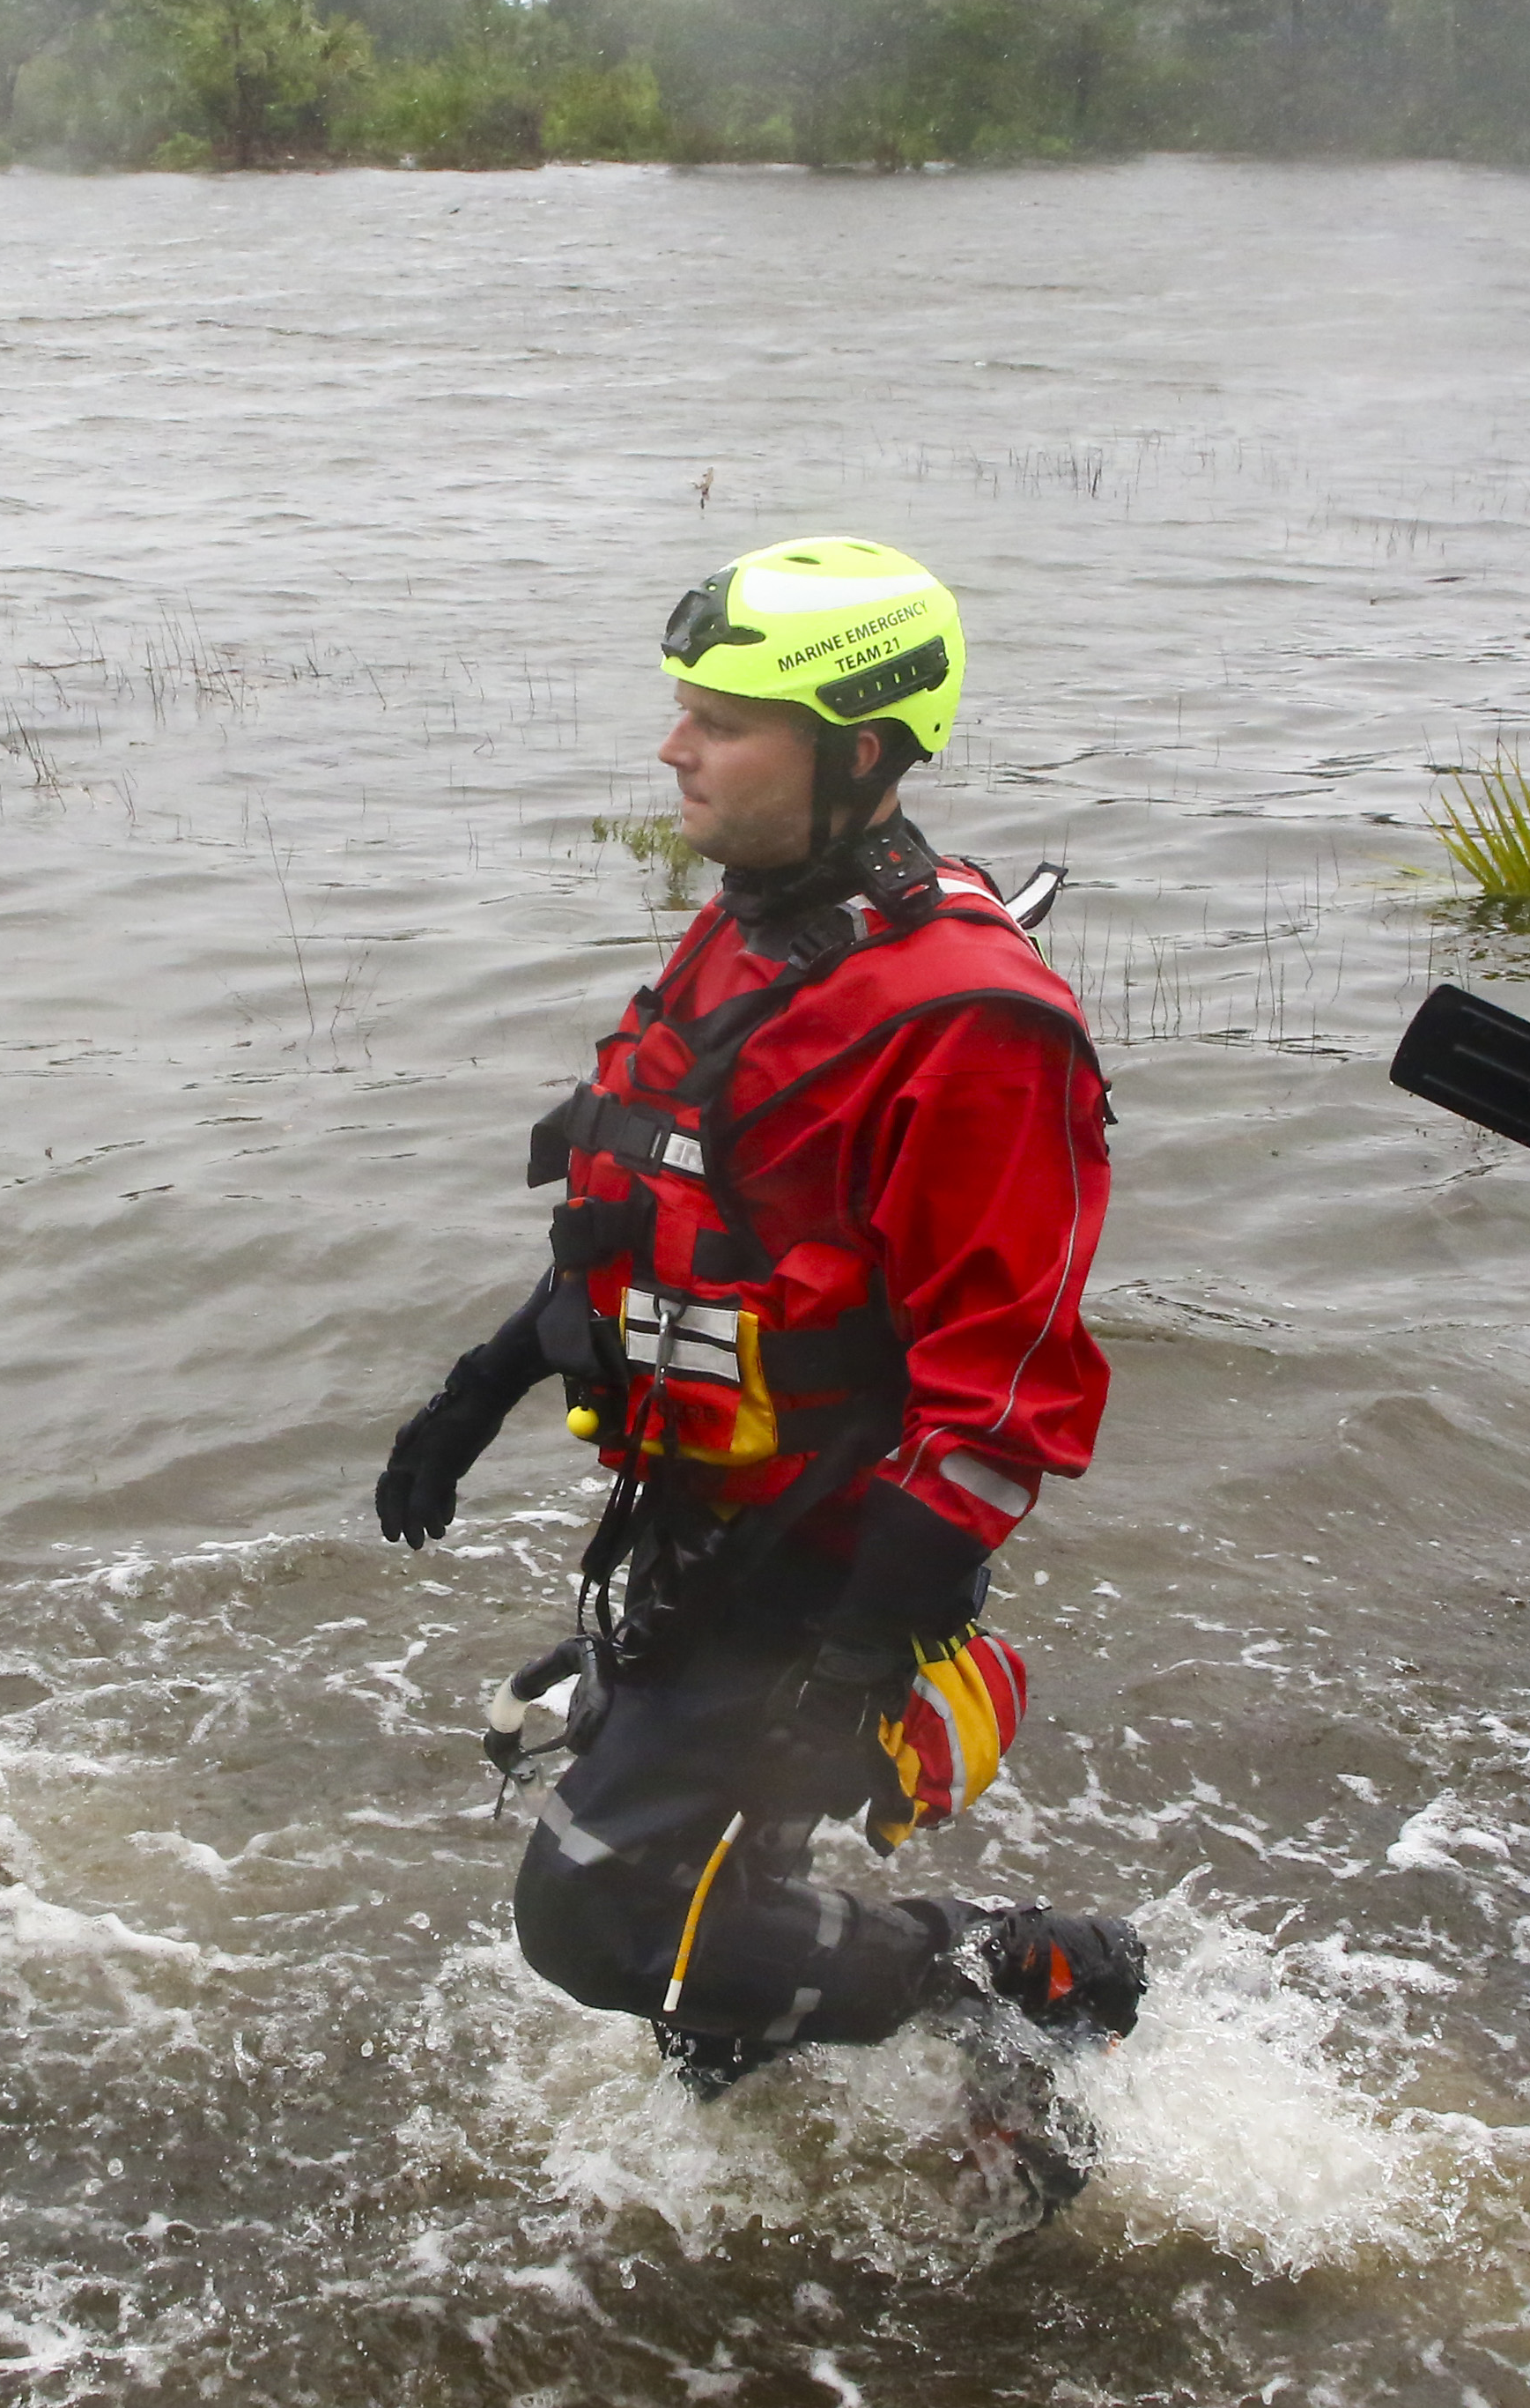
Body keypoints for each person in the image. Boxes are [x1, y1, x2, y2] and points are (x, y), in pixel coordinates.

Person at [373, 537, 1147, 2122]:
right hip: (697, 1515)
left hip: (826, 1565)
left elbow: (1002, 1398)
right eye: (683, 710)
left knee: (598, 1913)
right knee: (707, 1976)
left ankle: (1022, 1968)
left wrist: (860, 1653)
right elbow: (669, 1206)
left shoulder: (974, 1023)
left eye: (722, 720)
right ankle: (787, 2173)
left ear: (857, 751)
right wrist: (485, 1381)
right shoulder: (753, 932)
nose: (675, 750)